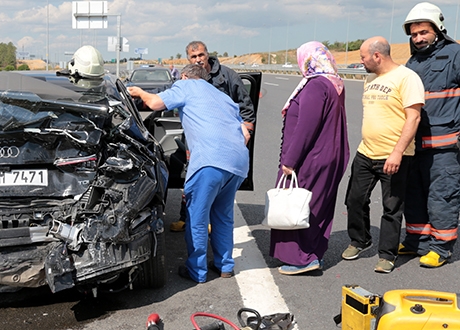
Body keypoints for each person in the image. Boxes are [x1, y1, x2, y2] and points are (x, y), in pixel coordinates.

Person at [127, 64, 250, 283]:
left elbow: (154, 103)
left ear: (184, 76)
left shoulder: (186, 86)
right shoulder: (222, 96)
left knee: (197, 217)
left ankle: (198, 271)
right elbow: (244, 132)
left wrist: (138, 92)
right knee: (223, 216)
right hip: (238, 162)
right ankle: (225, 266)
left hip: (209, 161)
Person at [341, 37, 424, 274]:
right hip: (366, 152)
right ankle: (359, 240)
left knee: (391, 208)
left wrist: (397, 152)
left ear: (377, 56)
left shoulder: (407, 78)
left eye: (363, 57)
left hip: (395, 155)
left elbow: (414, 117)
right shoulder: (370, 79)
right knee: (354, 200)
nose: (361, 61)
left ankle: (387, 255)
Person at [270, 41, 350, 275]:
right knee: (318, 206)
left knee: (298, 204)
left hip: (311, 158)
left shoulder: (316, 86)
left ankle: (301, 258)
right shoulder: (334, 83)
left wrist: (290, 160)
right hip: (329, 155)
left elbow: (306, 127)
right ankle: (314, 253)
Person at [168, 40, 256, 232]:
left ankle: (208, 221)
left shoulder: (227, 76)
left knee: (214, 183)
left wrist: (246, 134)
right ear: (188, 58)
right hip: (197, 140)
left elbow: (246, 106)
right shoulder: (187, 78)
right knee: (191, 179)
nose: (198, 59)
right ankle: (187, 218)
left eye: (201, 55)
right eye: (193, 56)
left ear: (207, 54)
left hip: (223, 141)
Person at [400, 2, 460, 268]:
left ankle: (441, 247)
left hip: (445, 144)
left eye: (423, 32)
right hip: (416, 143)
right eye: (414, 34)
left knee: (442, 195)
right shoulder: (413, 61)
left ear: (438, 28)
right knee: (414, 194)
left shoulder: (456, 54)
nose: (418, 38)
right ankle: (417, 241)